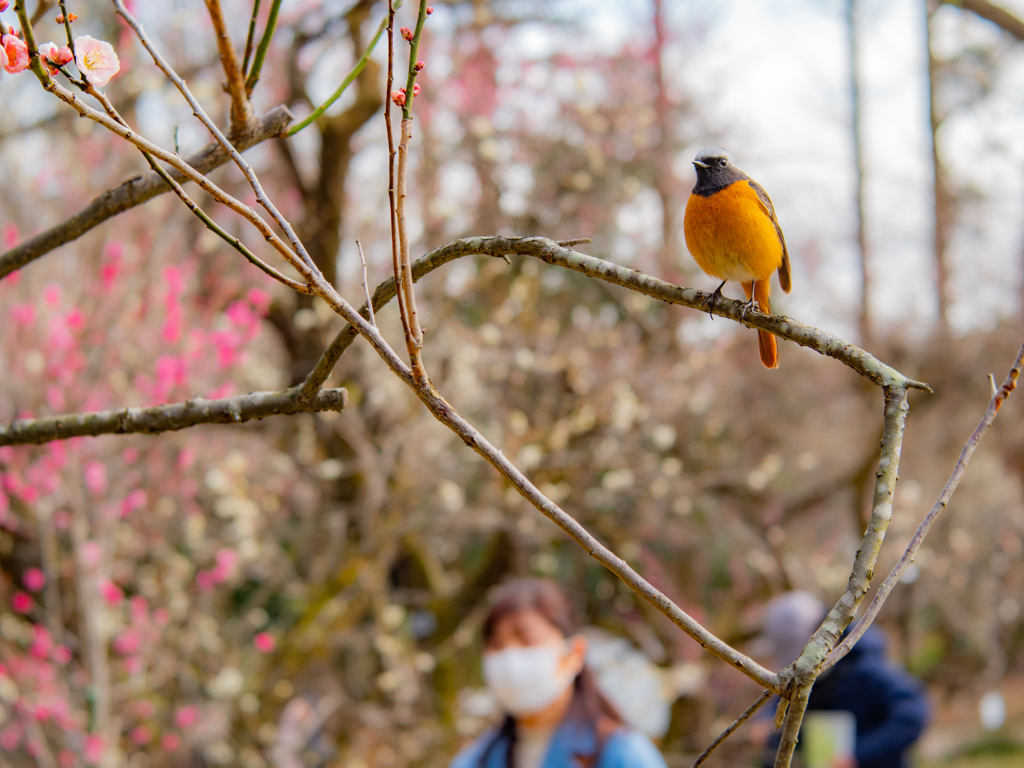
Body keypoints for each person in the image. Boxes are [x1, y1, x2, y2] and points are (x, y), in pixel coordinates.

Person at [450, 579, 668, 768]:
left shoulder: (622, 754)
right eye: (496, 645)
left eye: (527, 640)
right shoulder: (476, 759)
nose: (510, 658)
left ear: (574, 653)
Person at [756, 592, 929, 768]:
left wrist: (858, 756)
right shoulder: (812, 679)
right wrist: (767, 722)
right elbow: (784, 701)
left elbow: (911, 715)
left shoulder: (868, 670)